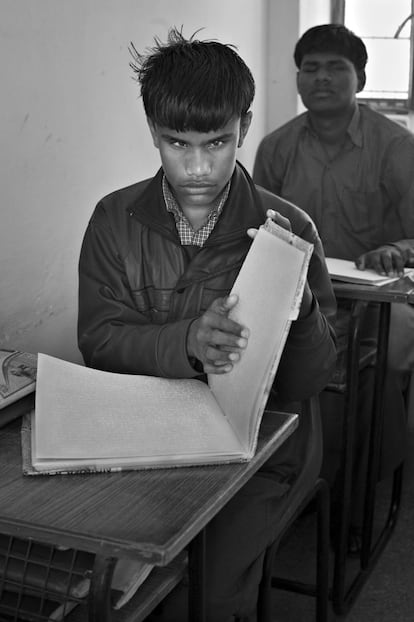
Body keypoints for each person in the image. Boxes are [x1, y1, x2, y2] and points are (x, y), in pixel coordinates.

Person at [77, 27, 336, 621]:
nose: (197, 167)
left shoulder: (288, 228)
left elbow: (310, 381)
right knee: (99, 576)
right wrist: (186, 343)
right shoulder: (113, 219)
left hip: (263, 450)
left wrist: (300, 311)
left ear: (243, 126)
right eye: (176, 143)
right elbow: (99, 340)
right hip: (148, 432)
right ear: (153, 132)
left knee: (208, 597)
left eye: (217, 142)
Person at [253, 23, 414, 552]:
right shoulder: (276, 147)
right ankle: (296, 480)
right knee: (260, 359)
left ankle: (364, 485)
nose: (321, 78)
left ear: (360, 78)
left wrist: (398, 248)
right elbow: (259, 234)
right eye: (310, 67)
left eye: (335, 68)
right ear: (298, 78)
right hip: (304, 296)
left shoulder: (395, 146)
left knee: (384, 363)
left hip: (386, 292)